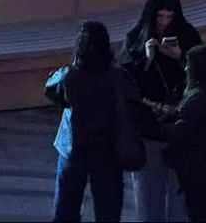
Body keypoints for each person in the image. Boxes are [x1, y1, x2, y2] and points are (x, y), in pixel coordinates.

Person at [119, 0, 202, 223]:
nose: (164, 22)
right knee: (148, 192)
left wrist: (180, 57)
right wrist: (145, 59)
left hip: (180, 125)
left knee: (179, 194)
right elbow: (126, 80)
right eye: (160, 16)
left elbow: (203, 75)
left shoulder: (187, 36)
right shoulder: (136, 36)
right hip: (149, 126)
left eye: (169, 16)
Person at [45, 20, 138, 223]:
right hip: (108, 148)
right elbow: (133, 100)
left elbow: (50, 89)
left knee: (66, 205)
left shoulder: (69, 75)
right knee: (108, 206)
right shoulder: (117, 76)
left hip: (73, 146)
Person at [162, 45, 206, 223]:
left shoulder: (198, 100)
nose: (186, 69)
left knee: (199, 214)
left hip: (198, 171)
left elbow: (177, 133)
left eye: (189, 65)